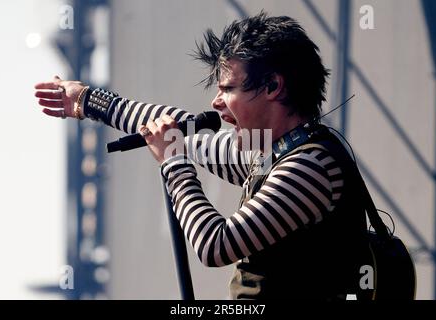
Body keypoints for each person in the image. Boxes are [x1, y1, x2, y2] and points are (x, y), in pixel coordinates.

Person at [35, 12, 372, 299]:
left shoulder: (308, 168)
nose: (216, 102)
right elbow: (175, 130)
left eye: (228, 89)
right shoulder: (271, 153)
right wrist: (89, 101)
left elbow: (215, 245)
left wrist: (174, 164)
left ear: (272, 87)